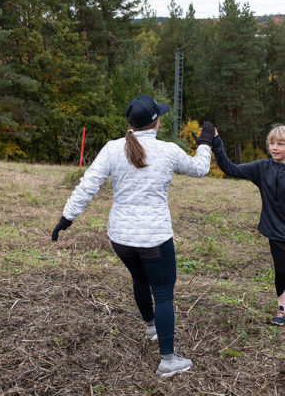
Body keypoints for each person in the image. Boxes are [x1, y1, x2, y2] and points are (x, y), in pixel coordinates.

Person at [51, 95, 214, 377]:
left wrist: (66, 218)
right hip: (155, 239)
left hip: (121, 238)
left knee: (139, 280)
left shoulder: (112, 149)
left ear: (131, 124)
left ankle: (151, 327)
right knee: (163, 295)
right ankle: (167, 360)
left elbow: (88, 184)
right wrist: (206, 143)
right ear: (155, 122)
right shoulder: (168, 150)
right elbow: (200, 169)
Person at [212, 124, 285, 326]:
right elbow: (231, 169)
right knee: (281, 269)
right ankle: (283, 307)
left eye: (280, 144)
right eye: (272, 143)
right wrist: (216, 142)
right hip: (273, 227)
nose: (274, 147)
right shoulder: (262, 168)